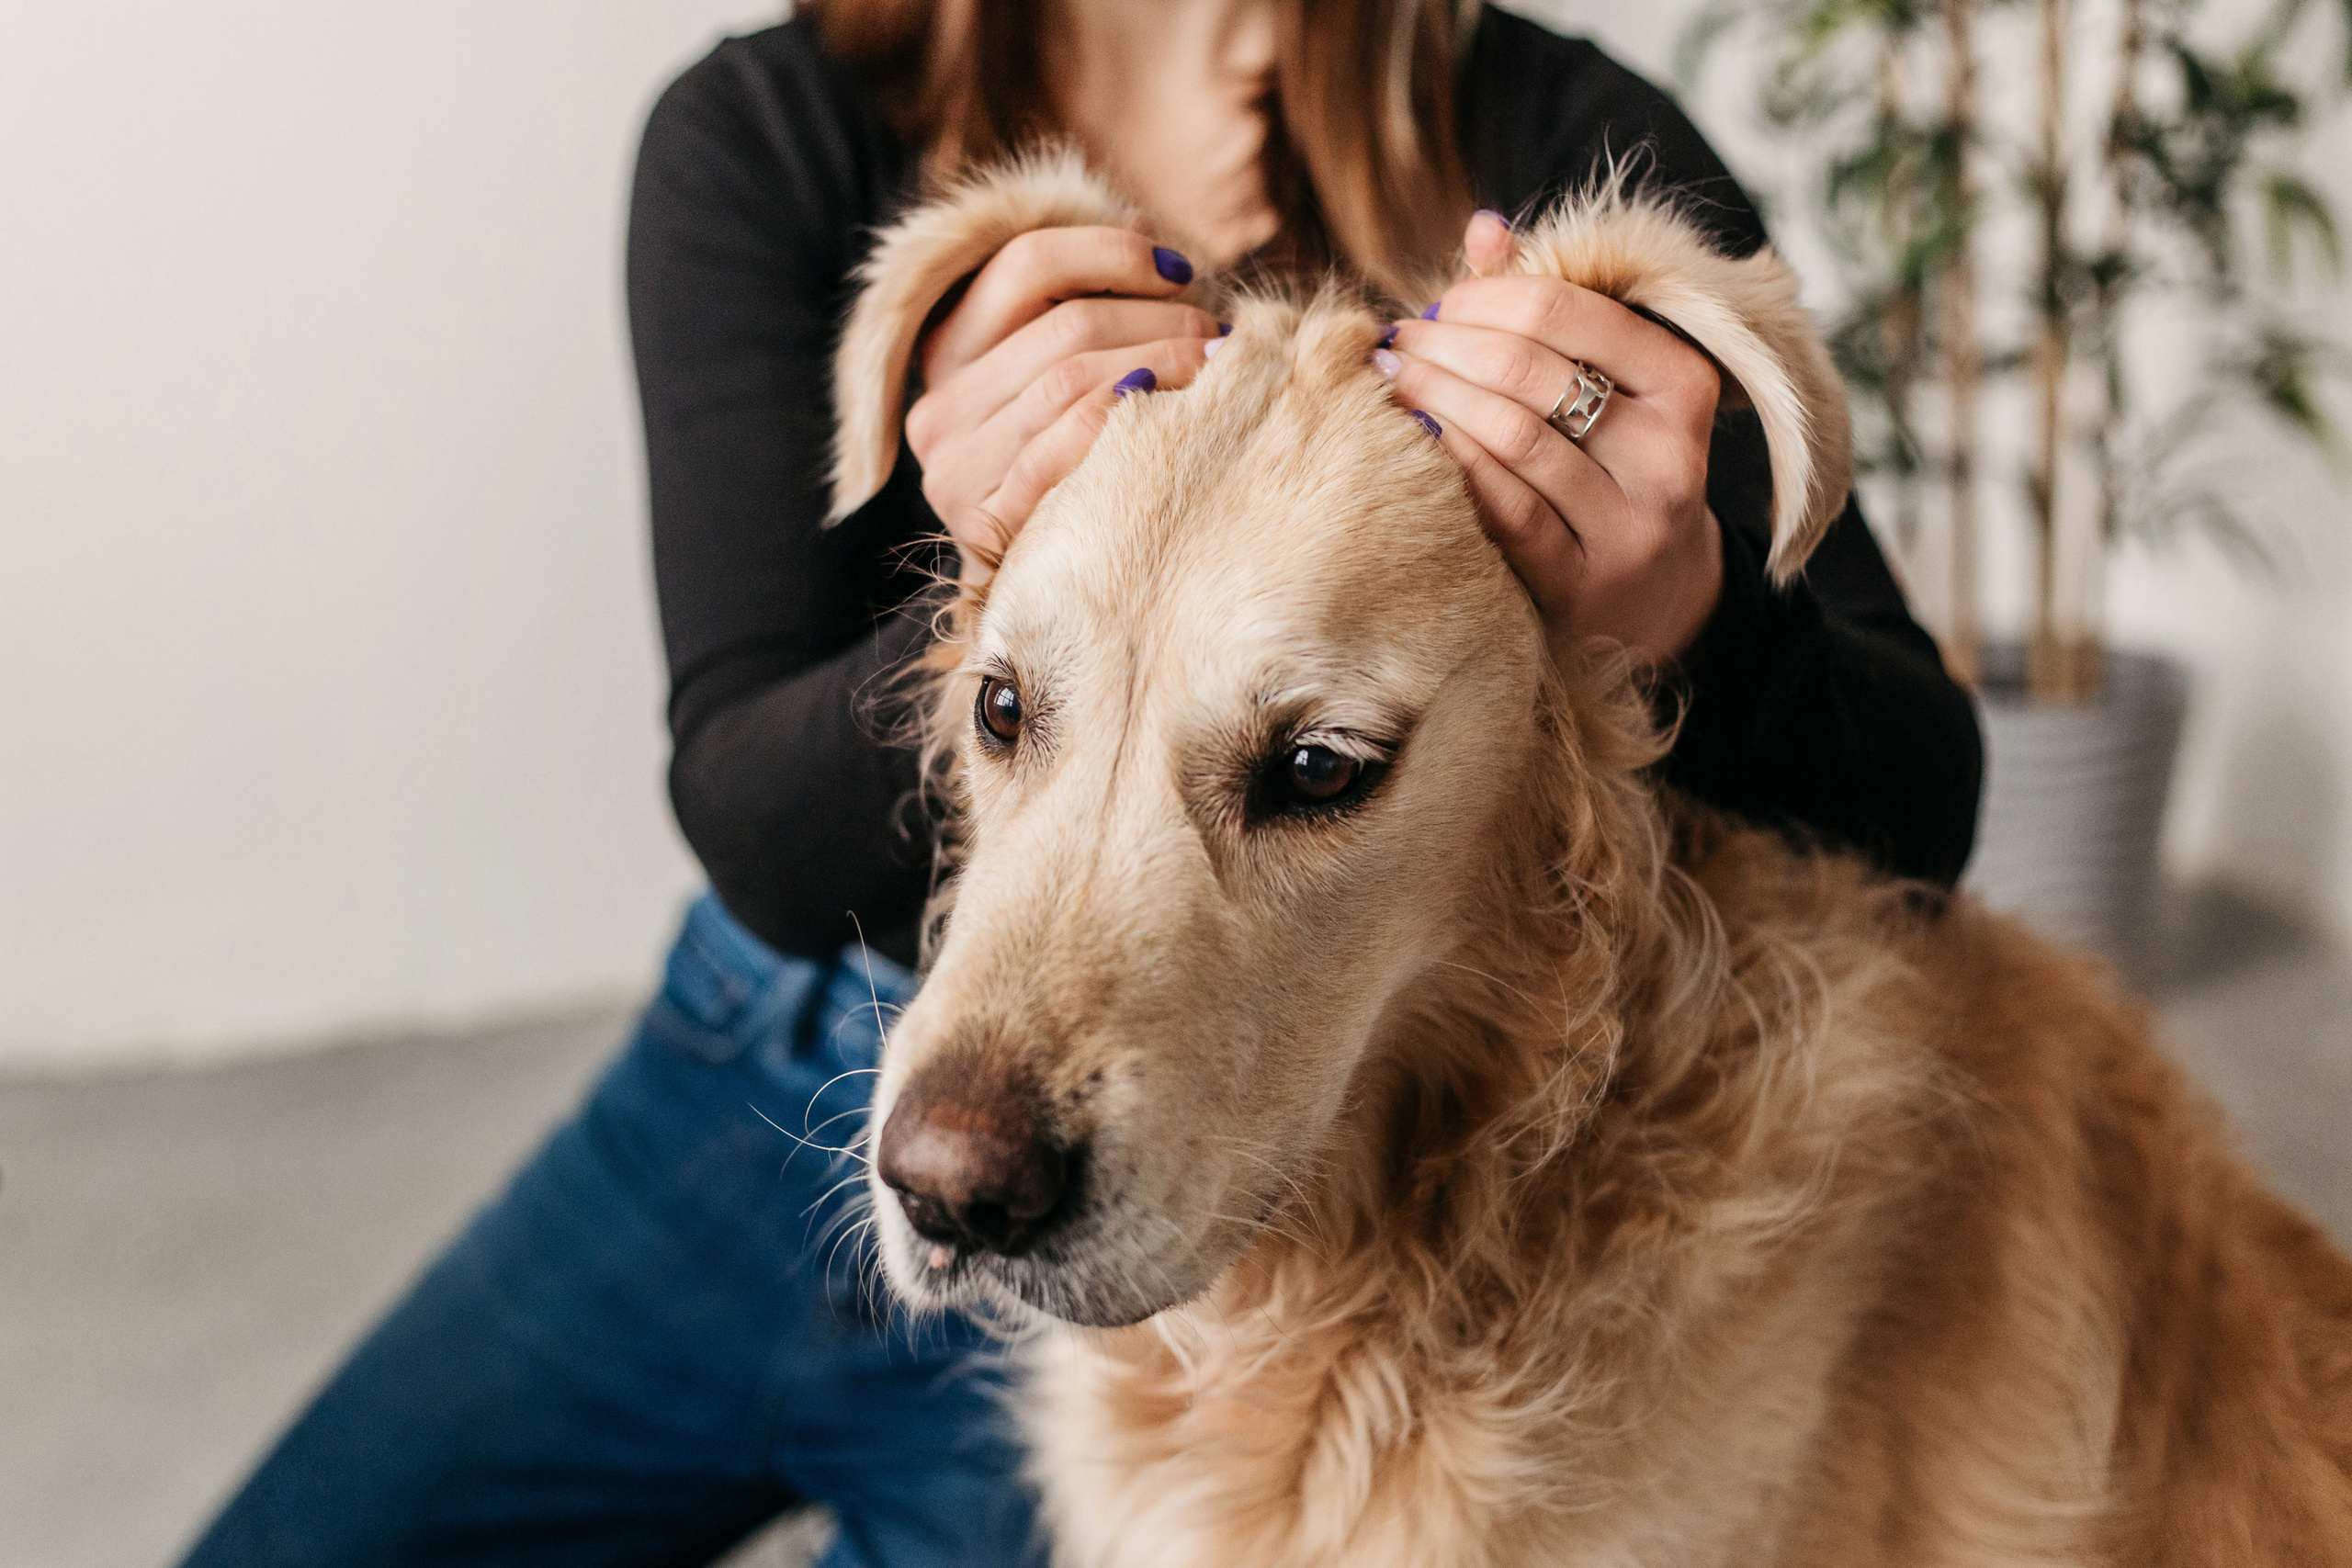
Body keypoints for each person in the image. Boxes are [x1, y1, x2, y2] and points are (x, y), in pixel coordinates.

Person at [179, 2, 1981, 1564]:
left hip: (1284, 1200)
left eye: (1311, 754)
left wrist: (1674, 609)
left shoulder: (1552, 133)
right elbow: (747, 810)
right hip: (756, 1088)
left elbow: (1918, 814)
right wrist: (993, 573)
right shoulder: (766, 134)